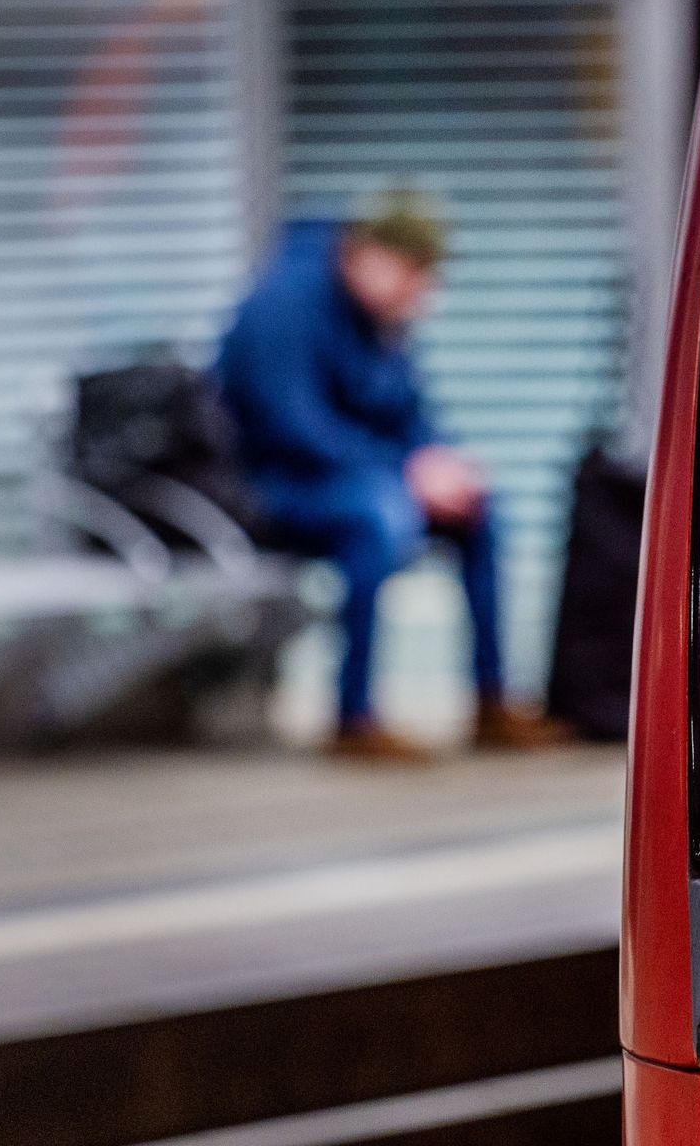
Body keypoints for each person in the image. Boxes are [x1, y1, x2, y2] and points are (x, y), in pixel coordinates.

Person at [217, 192, 569, 761]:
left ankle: (490, 702)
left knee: (478, 509)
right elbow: (293, 429)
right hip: (271, 487)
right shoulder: (283, 305)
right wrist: (406, 473)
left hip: (359, 479)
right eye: (411, 275)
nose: (419, 296)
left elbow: (409, 414)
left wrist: (440, 464)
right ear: (366, 254)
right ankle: (353, 717)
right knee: (378, 519)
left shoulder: (379, 319)